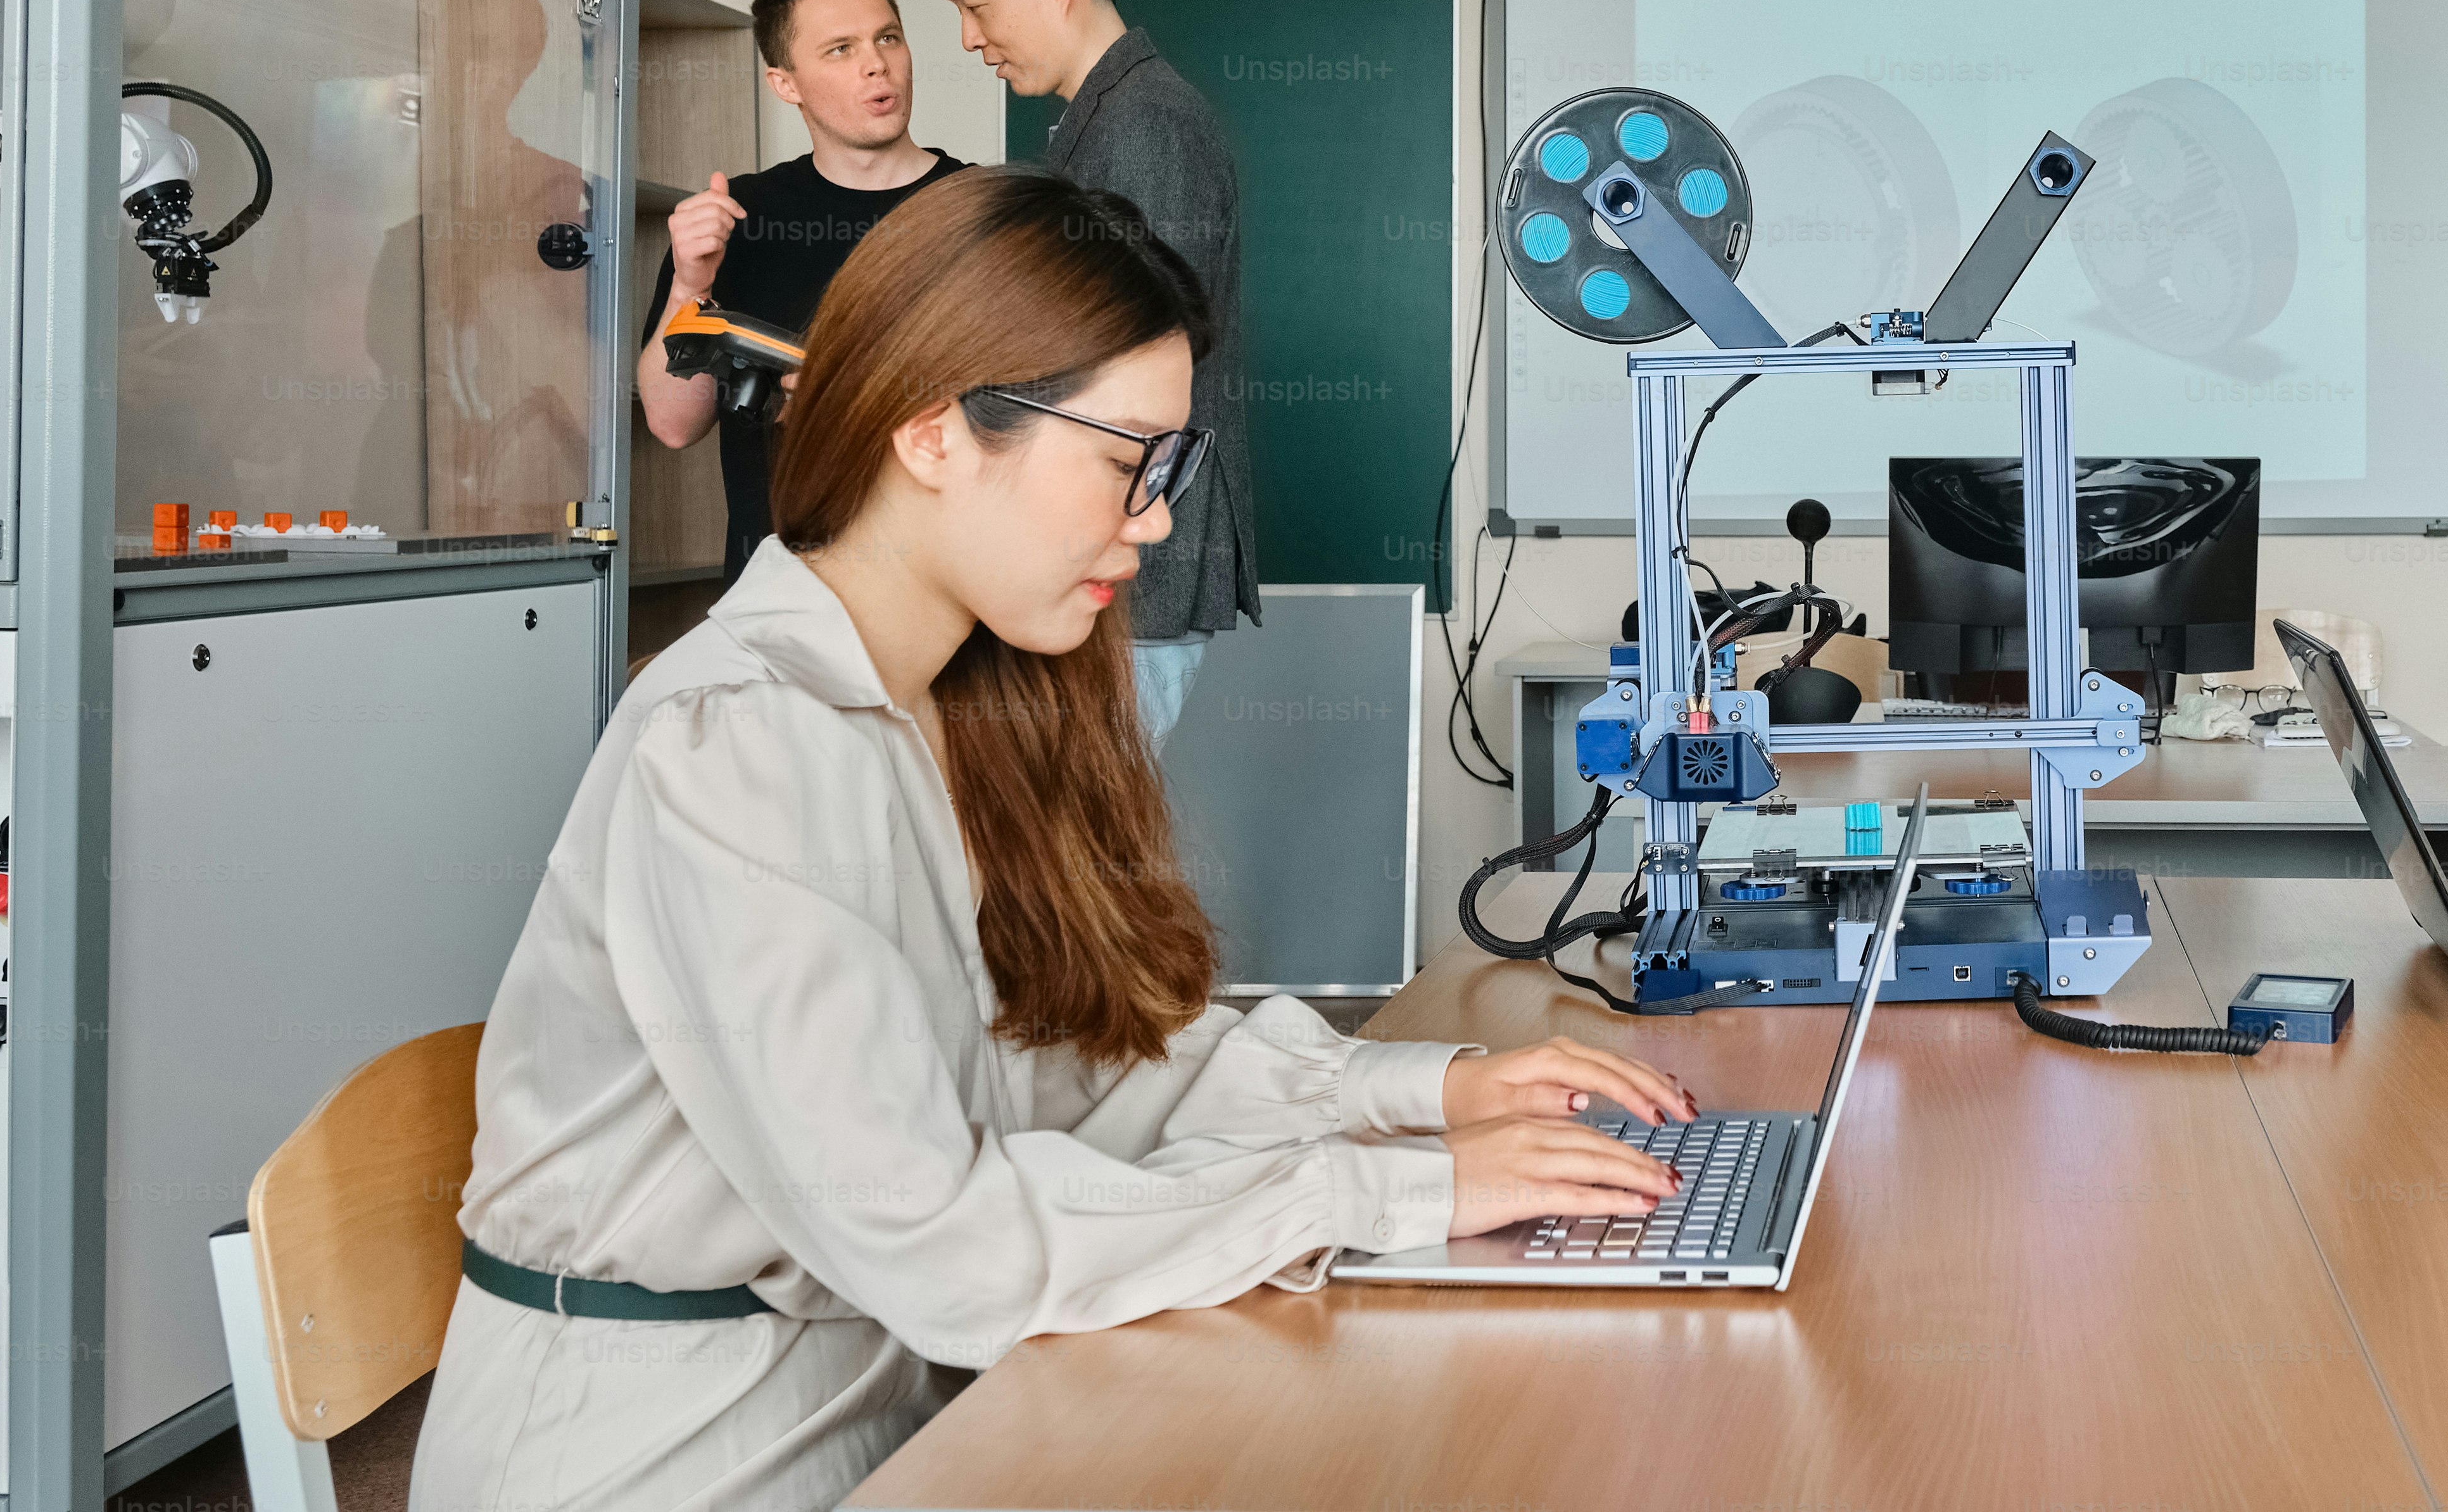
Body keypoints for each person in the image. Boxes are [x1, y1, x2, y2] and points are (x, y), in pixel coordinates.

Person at [416, 165, 1692, 1512]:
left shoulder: (944, 697)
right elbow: (944, 1244)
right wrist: (1372, 1197)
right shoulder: (739, 740)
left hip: (891, 1402)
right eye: (1124, 460)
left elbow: (1077, 1068)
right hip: (669, 1455)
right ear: (932, 433)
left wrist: (1422, 1099)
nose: (1154, 519)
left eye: (1169, 464)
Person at [919, 0, 1254, 740]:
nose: (966, 37)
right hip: (1102, 559)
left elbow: (1138, 360)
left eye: (975, 3)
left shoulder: (1144, 122)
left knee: (1083, 857)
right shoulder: (1100, 117)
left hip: (1125, 567)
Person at [640, 0, 967, 582]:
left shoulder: (983, 211)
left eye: (888, 38)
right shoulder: (740, 216)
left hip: (941, 595)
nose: (877, 63)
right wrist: (691, 284)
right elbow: (672, 425)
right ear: (785, 82)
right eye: (841, 49)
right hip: (779, 595)